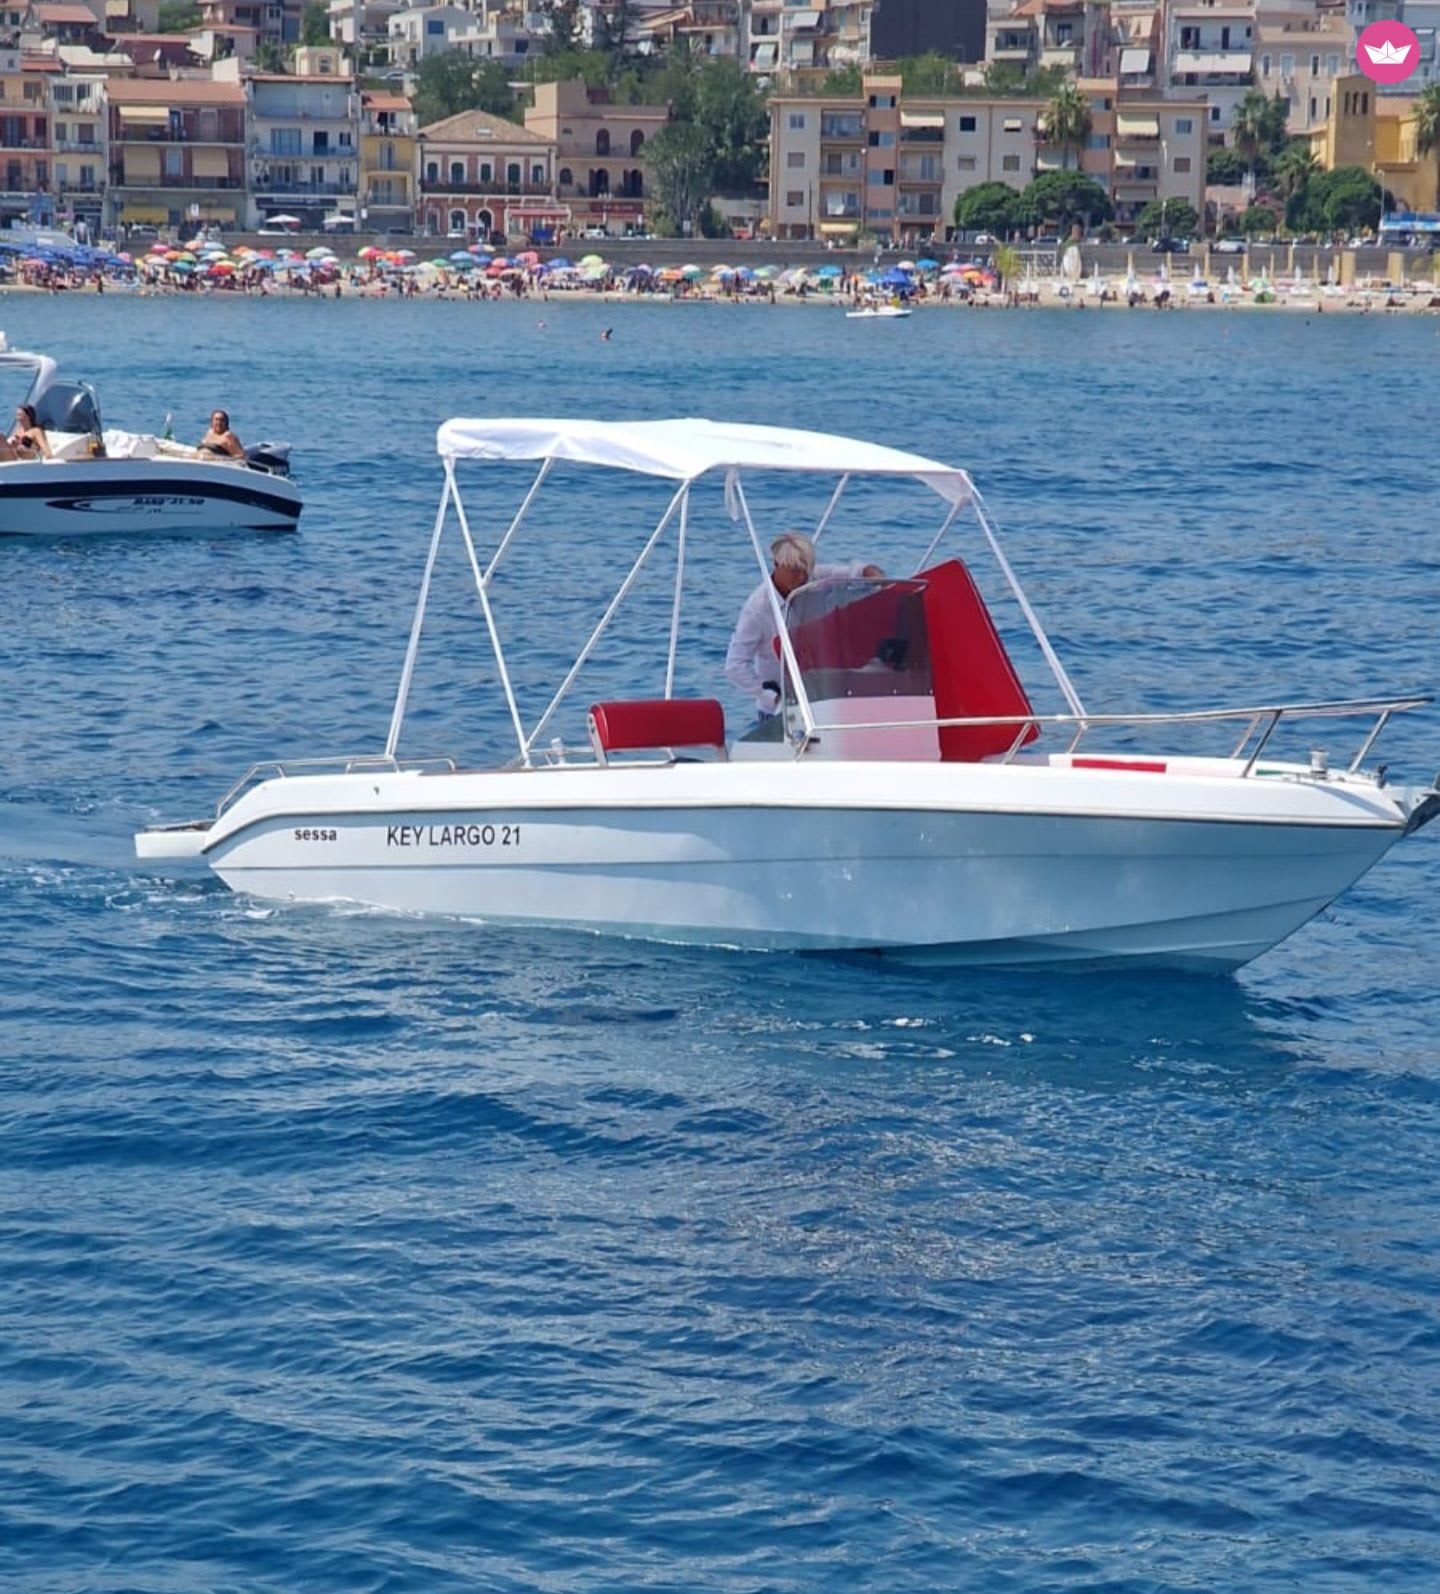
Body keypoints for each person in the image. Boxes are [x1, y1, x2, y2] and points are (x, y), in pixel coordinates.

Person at [724, 531, 883, 719]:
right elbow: (734, 665)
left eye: (805, 570)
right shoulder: (757, 609)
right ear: (777, 564)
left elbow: (851, 572)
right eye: (794, 570)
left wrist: (871, 573)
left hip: (822, 697)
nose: (801, 577)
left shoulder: (813, 578)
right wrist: (771, 697)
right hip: (781, 710)